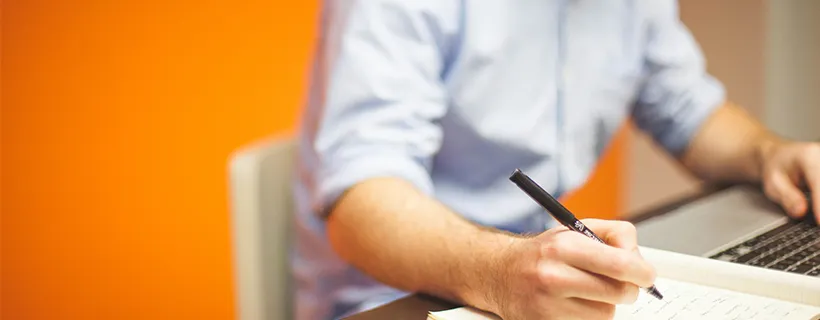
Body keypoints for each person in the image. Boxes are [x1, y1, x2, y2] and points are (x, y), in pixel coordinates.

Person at [290, 1, 820, 319]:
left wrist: (770, 153)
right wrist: (499, 274)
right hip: (400, 296)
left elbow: (685, 108)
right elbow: (360, 200)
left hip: (529, 279)